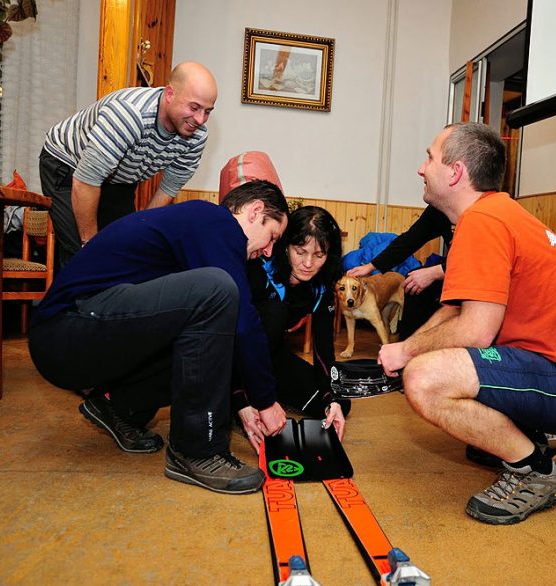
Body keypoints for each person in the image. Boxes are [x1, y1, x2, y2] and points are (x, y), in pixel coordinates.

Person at [378, 123, 556, 525]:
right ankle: (522, 436)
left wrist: (407, 353)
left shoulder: (483, 223)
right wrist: (406, 349)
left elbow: (474, 332)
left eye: (430, 158)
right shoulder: (492, 214)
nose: (422, 168)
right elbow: (456, 311)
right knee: (428, 362)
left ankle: (534, 472)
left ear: (455, 173)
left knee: (424, 378)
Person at [28, 180, 289, 495]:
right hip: (65, 332)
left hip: (73, 337)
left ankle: (120, 408)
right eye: (272, 235)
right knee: (218, 290)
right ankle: (197, 450)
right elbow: (244, 323)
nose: (269, 250)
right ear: (254, 211)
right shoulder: (215, 221)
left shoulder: (198, 232)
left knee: (204, 325)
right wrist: (265, 400)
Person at [39, 61, 218, 267]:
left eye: (207, 111)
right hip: (68, 162)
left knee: (123, 248)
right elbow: (85, 181)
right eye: (194, 107)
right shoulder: (130, 115)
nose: (200, 119)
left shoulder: (196, 136)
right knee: (81, 257)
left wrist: (141, 235)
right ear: (170, 94)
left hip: (119, 176)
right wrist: (90, 245)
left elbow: (167, 191)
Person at [236, 205, 350, 453]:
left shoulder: (320, 288)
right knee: (275, 314)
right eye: (300, 252)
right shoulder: (259, 269)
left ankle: (263, 395)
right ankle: (239, 399)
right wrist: (241, 399)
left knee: (338, 401)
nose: (308, 263)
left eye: (319, 255)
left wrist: (331, 400)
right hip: (230, 358)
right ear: (285, 246)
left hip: (269, 357)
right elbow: (230, 338)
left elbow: (323, 352)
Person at [347, 204, 452, 339]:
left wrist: (436, 272)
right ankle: (409, 348)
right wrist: (371, 266)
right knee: (412, 280)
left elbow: (479, 259)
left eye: (426, 181)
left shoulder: (479, 210)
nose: (424, 183)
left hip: (476, 279)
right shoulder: (438, 209)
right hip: (450, 268)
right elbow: (408, 241)